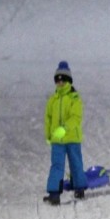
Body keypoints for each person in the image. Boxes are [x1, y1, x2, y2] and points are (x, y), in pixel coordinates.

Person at [43, 61, 87, 205]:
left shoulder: (75, 98)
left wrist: (65, 128)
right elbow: (48, 118)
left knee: (76, 163)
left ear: (68, 81)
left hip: (72, 138)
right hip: (57, 140)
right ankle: (54, 193)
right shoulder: (53, 100)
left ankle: (79, 188)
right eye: (57, 80)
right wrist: (49, 135)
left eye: (63, 80)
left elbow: (76, 117)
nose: (60, 83)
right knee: (57, 165)